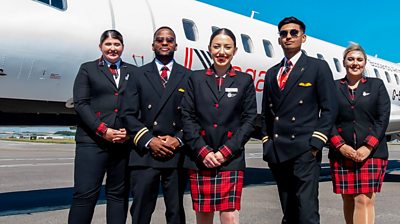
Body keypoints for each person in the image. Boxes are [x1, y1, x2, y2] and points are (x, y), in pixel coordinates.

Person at [260, 16, 337, 224]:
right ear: (279, 40)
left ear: (303, 37)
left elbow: (330, 108)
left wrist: (316, 143)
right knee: (288, 210)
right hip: (278, 151)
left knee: (307, 211)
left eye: (294, 33)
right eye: (283, 34)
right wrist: (267, 142)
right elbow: (266, 114)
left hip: (304, 150)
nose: (288, 37)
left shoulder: (317, 67)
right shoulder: (272, 73)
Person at [182, 28, 257, 224]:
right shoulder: (195, 79)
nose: (221, 52)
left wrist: (225, 151)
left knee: (229, 215)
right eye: (217, 47)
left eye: (227, 47)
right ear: (209, 49)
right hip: (201, 157)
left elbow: (249, 120)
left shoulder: (244, 80)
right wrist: (203, 151)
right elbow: (187, 117)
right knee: (204, 215)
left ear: (234, 51)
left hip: (230, 158)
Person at [120, 26, 191, 224]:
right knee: (141, 210)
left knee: (175, 211)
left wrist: (178, 140)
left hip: (175, 153)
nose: (165, 43)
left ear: (176, 45)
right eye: (160, 40)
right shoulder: (138, 75)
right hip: (144, 154)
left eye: (169, 40)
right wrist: (149, 140)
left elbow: (192, 116)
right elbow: (127, 113)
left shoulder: (189, 76)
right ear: (153, 45)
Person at [68, 30, 135, 224]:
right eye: (108, 44)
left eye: (117, 44)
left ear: (122, 47)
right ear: (100, 47)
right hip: (92, 142)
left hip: (122, 143)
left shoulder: (133, 72)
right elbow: (81, 103)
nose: (112, 48)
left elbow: (138, 104)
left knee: (118, 195)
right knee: (85, 194)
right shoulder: (87, 69)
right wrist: (103, 130)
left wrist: (129, 133)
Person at [329, 44, 390, 224]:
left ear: (364, 63)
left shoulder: (376, 85)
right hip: (342, 152)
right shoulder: (333, 87)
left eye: (359, 59)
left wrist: (368, 145)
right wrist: (340, 145)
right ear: (344, 62)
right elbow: (327, 118)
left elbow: (382, 118)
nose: (355, 63)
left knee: (364, 199)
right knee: (348, 198)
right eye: (351, 59)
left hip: (372, 152)